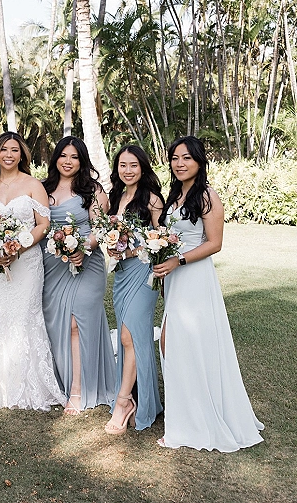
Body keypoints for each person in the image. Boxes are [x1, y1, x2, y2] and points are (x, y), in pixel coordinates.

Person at [153, 136, 264, 451]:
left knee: (185, 344)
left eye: (186, 158)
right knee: (172, 343)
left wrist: (179, 260)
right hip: (174, 277)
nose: (180, 163)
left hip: (194, 277)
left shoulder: (207, 196)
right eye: (175, 158)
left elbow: (215, 243)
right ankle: (185, 415)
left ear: (199, 162)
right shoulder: (175, 195)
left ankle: (192, 423)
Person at [0, 131, 65, 411]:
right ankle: (0, 387)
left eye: (15, 150)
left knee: (26, 316)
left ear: (22, 155)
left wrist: (17, 247)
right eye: (4, 150)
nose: (9, 155)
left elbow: (43, 225)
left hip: (26, 262)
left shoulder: (32, 185)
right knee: (0, 319)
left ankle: (33, 386)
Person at [42, 136, 116, 415]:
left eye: (74, 157)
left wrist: (83, 248)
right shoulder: (43, 189)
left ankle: (78, 389)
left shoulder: (92, 190)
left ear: (82, 161)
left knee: (76, 323)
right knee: (56, 323)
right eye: (63, 155)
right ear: (56, 158)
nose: (68, 161)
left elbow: (99, 228)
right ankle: (59, 381)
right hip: (53, 265)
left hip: (88, 264)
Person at [105, 145, 164, 434]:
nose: (127, 170)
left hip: (144, 273)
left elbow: (161, 239)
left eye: (133, 165)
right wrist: (111, 246)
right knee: (130, 338)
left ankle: (124, 401)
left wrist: (131, 251)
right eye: (123, 165)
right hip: (122, 276)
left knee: (129, 335)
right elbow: (109, 234)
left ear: (143, 167)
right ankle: (139, 397)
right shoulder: (116, 196)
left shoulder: (152, 199)